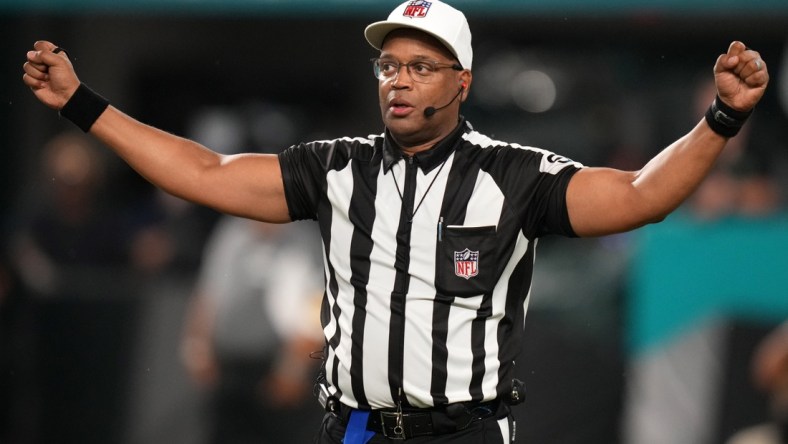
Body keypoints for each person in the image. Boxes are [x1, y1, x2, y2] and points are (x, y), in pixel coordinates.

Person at [22, 0, 769, 442]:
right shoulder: (336, 166)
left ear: (462, 80)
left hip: (464, 433)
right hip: (357, 427)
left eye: (420, 66)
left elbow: (641, 195)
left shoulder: (515, 176)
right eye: (389, 66)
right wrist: (86, 106)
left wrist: (721, 117)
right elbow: (206, 173)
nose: (398, 81)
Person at [180, 216, 324, 444]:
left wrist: (294, 368)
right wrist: (197, 347)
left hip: (278, 364)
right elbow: (208, 292)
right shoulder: (232, 231)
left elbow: (316, 309)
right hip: (229, 365)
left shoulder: (305, 237)